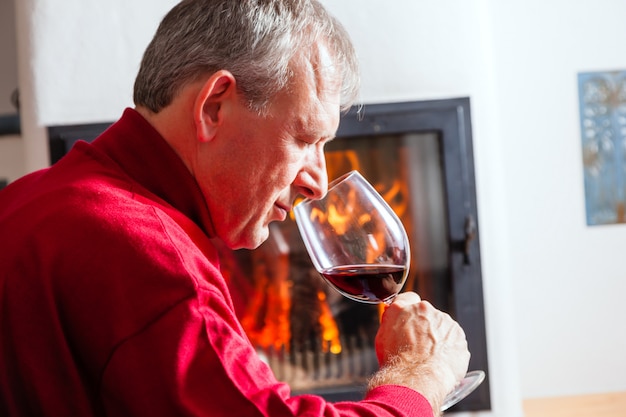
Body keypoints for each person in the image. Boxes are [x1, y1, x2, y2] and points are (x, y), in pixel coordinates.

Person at [0, 0, 470, 416]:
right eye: (305, 140)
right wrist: (421, 377)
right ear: (213, 108)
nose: (319, 182)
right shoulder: (148, 257)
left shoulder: (32, 194)